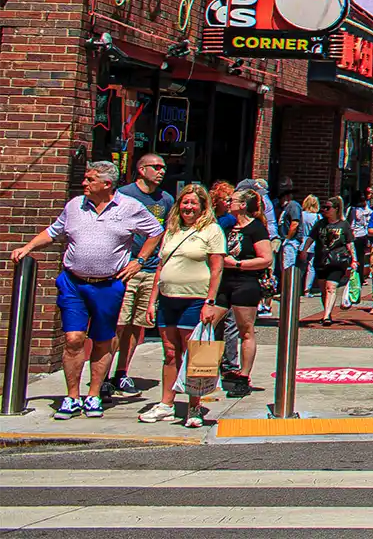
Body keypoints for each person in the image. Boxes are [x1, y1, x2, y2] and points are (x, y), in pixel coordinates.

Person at [10, 161, 163, 418]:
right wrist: (28, 247)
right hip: (74, 282)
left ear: (107, 184)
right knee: (73, 339)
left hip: (108, 285)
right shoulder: (75, 206)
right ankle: (72, 397)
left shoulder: (130, 207)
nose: (84, 183)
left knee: (102, 341)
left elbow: (156, 231)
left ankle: (93, 395)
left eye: (90, 179)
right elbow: (53, 231)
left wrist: (139, 260)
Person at [140, 184, 224, 427]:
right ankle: (166, 404)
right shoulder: (172, 230)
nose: (188, 207)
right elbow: (160, 267)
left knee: (195, 354)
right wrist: (152, 301)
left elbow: (217, 269)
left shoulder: (212, 230)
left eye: (193, 203)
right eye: (185, 202)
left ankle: (194, 406)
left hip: (195, 299)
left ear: (203, 206)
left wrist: (210, 302)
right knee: (169, 352)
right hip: (168, 298)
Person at [110, 152, 174, 397]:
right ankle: (103, 375)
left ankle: (121, 373)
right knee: (119, 323)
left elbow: (166, 230)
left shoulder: (165, 199)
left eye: (163, 167)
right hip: (125, 267)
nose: (161, 171)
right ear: (141, 169)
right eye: (155, 167)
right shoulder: (124, 195)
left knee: (138, 325)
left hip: (151, 269)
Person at [215, 190, 274, 397]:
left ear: (242, 205)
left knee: (245, 330)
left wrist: (238, 264)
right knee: (209, 323)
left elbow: (266, 259)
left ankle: (243, 376)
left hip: (245, 282)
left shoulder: (256, 228)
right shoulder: (226, 225)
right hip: (222, 282)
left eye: (231, 200)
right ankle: (207, 370)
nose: (227, 202)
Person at [300, 197, 356, 326]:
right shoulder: (320, 224)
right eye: (323, 207)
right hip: (321, 260)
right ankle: (327, 311)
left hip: (338, 260)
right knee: (323, 289)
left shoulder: (343, 225)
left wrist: (354, 259)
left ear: (336, 209)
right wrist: (304, 250)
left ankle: (326, 316)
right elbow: (311, 238)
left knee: (331, 287)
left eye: (328, 208)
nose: (324, 210)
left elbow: (350, 243)